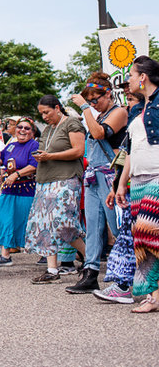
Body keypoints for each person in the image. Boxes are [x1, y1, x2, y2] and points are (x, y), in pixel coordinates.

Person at [66, 71, 128, 294]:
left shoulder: (119, 111)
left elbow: (99, 133)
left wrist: (84, 108)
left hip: (110, 176)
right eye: (90, 100)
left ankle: (127, 274)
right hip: (92, 175)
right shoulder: (98, 114)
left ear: (108, 94)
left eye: (96, 99)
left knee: (117, 226)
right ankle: (90, 272)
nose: (93, 104)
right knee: (92, 226)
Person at [25, 94, 87, 284]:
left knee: (63, 223)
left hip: (66, 179)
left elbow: (79, 150)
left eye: (46, 112)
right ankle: (52, 269)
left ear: (57, 108)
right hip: (45, 180)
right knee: (44, 225)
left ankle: (89, 257)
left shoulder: (72, 124)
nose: (44, 116)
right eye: (41, 113)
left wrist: (50, 156)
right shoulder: (48, 129)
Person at [115, 56, 159, 312]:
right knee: (140, 240)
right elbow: (130, 152)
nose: (129, 80)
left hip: (157, 175)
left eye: (131, 75)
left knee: (146, 230)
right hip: (138, 179)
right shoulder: (136, 110)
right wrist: (122, 184)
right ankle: (153, 297)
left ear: (142, 77)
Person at [96, 90, 145, 304]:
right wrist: (116, 186)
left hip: (148, 185)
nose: (128, 105)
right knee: (127, 237)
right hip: (133, 187)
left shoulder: (148, 119)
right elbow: (125, 156)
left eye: (132, 100)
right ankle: (124, 286)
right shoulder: (134, 124)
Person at [0, 117, 39, 267]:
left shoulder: (34, 145)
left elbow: (34, 165)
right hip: (9, 190)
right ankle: (5, 255)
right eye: (20, 127)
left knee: (29, 222)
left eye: (27, 128)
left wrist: (17, 174)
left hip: (26, 190)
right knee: (5, 220)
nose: (22, 130)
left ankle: (45, 254)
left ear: (32, 132)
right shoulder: (10, 146)